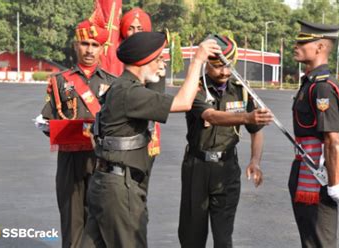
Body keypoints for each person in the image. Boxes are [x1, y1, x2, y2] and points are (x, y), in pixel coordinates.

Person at [80, 32, 221, 248]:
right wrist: (198, 60)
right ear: (142, 63)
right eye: (158, 60)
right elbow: (183, 102)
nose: (161, 65)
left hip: (107, 184)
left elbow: (157, 91)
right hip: (119, 190)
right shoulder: (130, 93)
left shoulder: (122, 87)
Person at [177, 35, 273, 248]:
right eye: (218, 66)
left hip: (227, 169)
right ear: (207, 64)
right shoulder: (196, 88)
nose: (224, 72)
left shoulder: (241, 90)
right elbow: (210, 116)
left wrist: (255, 161)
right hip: (197, 168)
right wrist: (246, 117)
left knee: (223, 238)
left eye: (229, 66)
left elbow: (256, 130)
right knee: (192, 237)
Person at [38, 19, 116, 248]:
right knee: (72, 221)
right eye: (85, 43)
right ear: (76, 45)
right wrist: (47, 127)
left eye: (95, 44)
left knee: (100, 220)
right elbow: (48, 117)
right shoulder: (60, 81)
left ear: (102, 49)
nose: (89, 49)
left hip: (101, 158)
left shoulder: (113, 83)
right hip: (70, 159)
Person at [289, 20, 339, 248]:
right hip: (305, 168)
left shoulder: (323, 87)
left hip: (319, 174)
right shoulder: (310, 83)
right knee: (310, 239)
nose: (295, 45)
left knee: (320, 241)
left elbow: (332, 139)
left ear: (319, 47)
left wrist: (335, 183)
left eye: (302, 42)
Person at [120, 7, 165, 194]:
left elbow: (155, 99)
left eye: (140, 28)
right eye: (130, 28)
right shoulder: (113, 55)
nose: (135, 32)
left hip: (143, 131)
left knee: (138, 190)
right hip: (115, 131)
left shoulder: (155, 59)